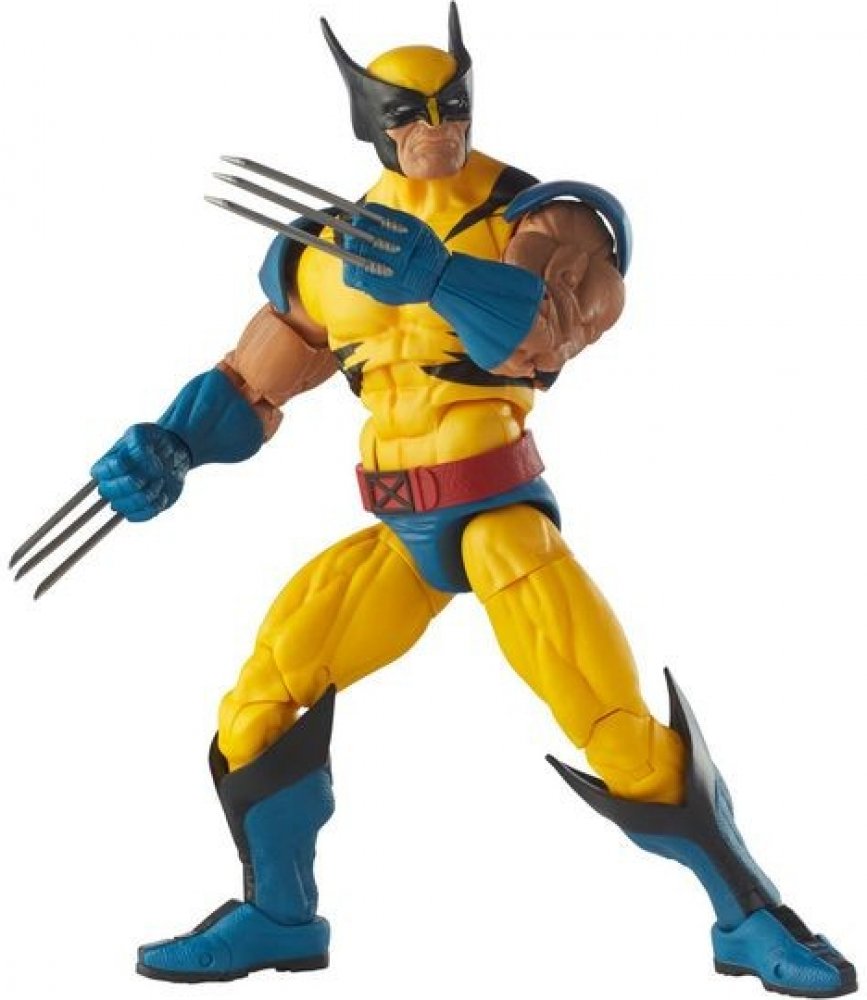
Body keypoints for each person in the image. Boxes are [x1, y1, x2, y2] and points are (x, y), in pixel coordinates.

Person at [79, 5, 855, 994]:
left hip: (498, 517)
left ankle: (750, 919)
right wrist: (172, 445)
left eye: (451, 104)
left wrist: (443, 278)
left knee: (614, 726)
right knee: (257, 706)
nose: (435, 126)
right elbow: (253, 381)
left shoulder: (537, 217)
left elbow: (545, 336)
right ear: (369, 118)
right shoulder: (320, 251)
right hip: (397, 529)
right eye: (409, 111)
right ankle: (279, 914)